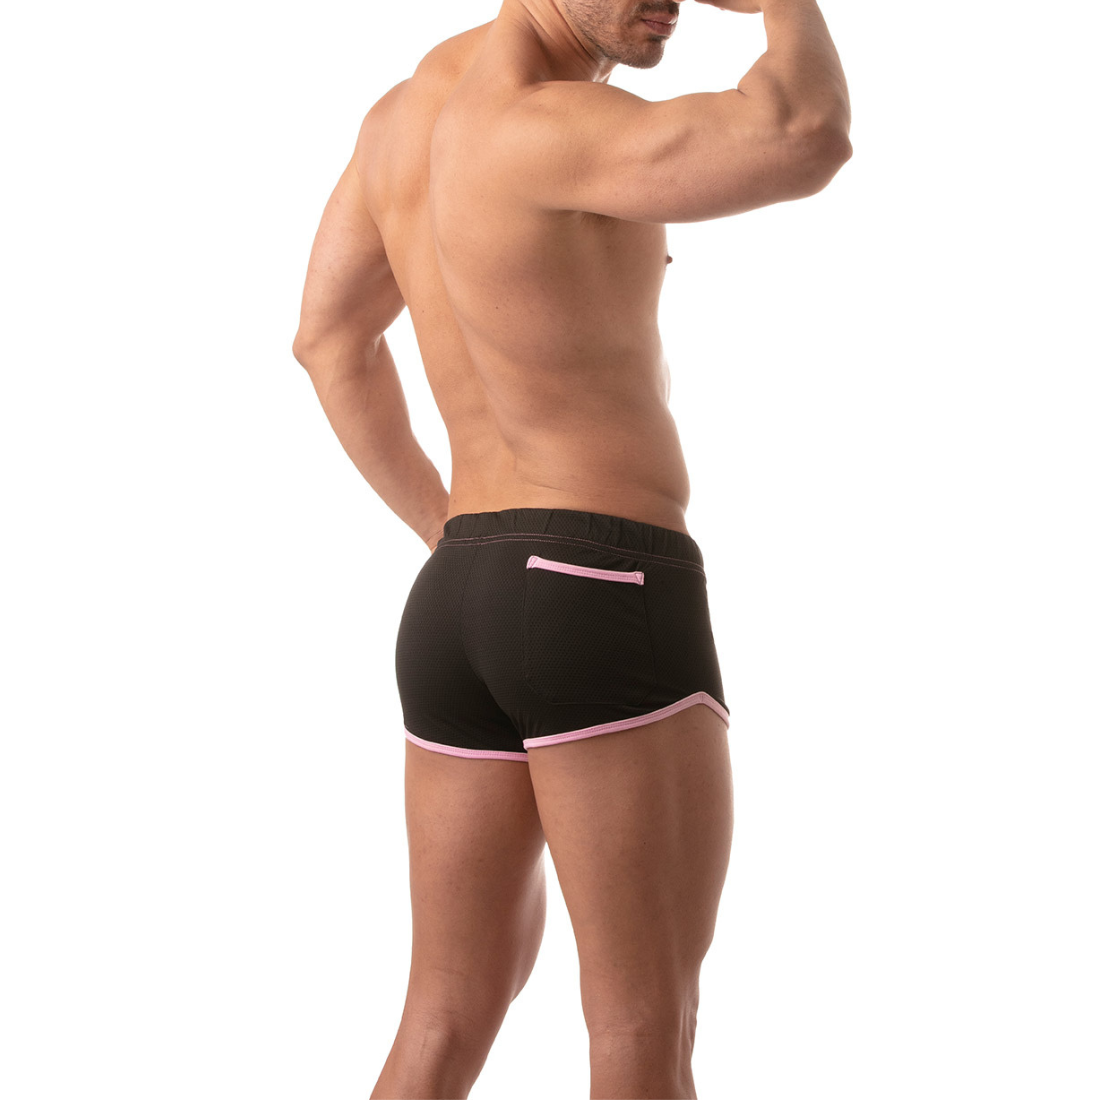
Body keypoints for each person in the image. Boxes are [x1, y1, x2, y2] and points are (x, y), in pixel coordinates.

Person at [292, 0, 850, 1096]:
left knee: (446, 1009)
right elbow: (804, 132)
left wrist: (450, 529)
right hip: (601, 584)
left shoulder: (400, 123)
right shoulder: (542, 126)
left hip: (460, 595)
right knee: (642, 1021)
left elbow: (327, 339)